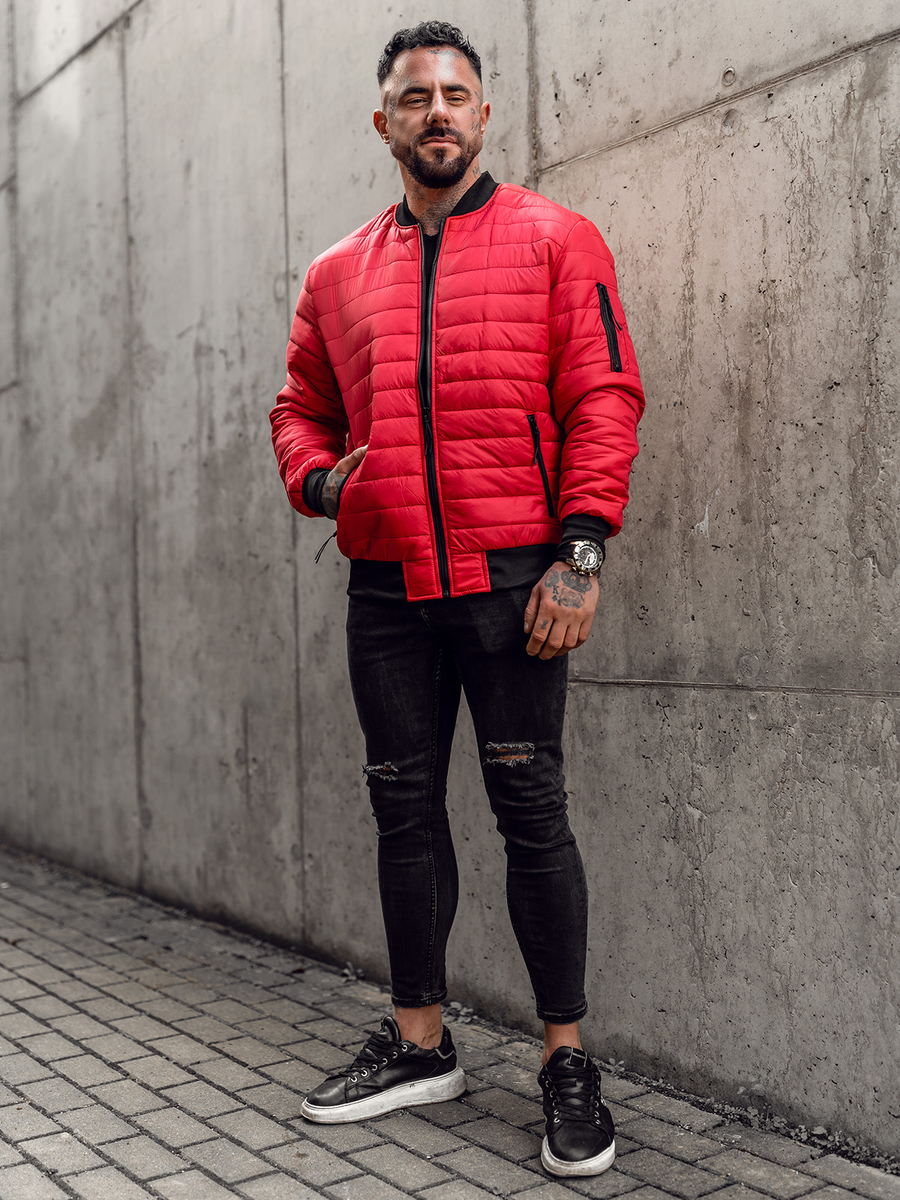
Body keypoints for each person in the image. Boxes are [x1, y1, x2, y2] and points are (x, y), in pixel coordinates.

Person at [270, 20, 644, 1179]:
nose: (436, 111)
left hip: (516, 584)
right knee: (403, 812)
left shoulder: (555, 239)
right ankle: (421, 1042)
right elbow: (298, 410)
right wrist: (322, 482)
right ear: (383, 121)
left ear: (483, 114)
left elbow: (604, 395)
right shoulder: (337, 273)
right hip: (387, 593)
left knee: (533, 814)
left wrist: (581, 554)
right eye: (413, 96)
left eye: (454, 93)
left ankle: (565, 1061)